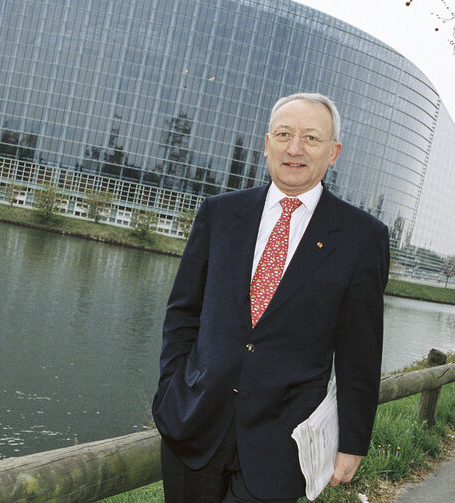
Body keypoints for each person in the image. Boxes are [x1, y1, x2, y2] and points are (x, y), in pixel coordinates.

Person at [152, 92, 390, 503]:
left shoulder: (362, 237)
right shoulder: (219, 213)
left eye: (311, 139)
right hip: (194, 426)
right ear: (267, 144)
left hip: (282, 446)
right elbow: (183, 314)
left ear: (333, 153)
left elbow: (360, 353)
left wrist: (353, 441)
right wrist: (171, 392)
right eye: (284, 134)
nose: (294, 148)